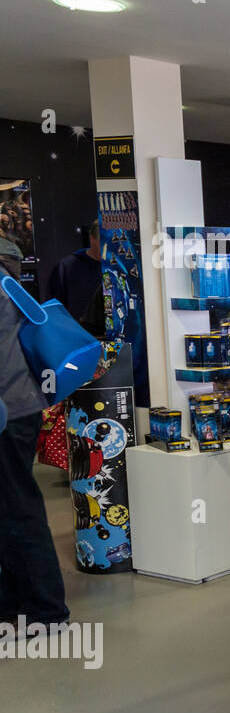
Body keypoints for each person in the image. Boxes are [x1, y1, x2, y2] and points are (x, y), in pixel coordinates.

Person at [0, 257, 70, 628]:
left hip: (7, 411)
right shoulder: (6, 277)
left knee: (17, 508)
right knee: (13, 507)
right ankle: (17, 600)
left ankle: (44, 609)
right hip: (21, 404)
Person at [46, 219, 102, 321]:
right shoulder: (66, 267)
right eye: (103, 242)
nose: (108, 249)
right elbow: (53, 308)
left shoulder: (119, 267)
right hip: (79, 332)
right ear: (92, 239)